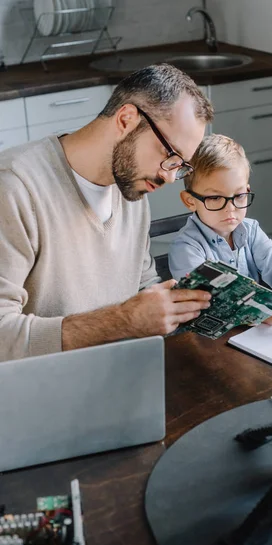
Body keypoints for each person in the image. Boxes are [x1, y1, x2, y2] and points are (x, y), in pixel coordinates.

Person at [0, 64, 214, 362]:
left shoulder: (131, 188)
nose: (169, 176)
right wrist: (123, 320)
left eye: (181, 166)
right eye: (170, 155)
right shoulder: (14, 187)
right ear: (126, 119)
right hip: (39, 395)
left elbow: (143, 286)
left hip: (115, 376)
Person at [168, 134, 272, 330]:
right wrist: (264, 311)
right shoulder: (186, 248)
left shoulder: (250, 230)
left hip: (250, 333)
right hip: (207, 339)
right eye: (215, 198)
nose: (230, 209)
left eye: (239, 196)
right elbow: (210, 301)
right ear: (190, 201)